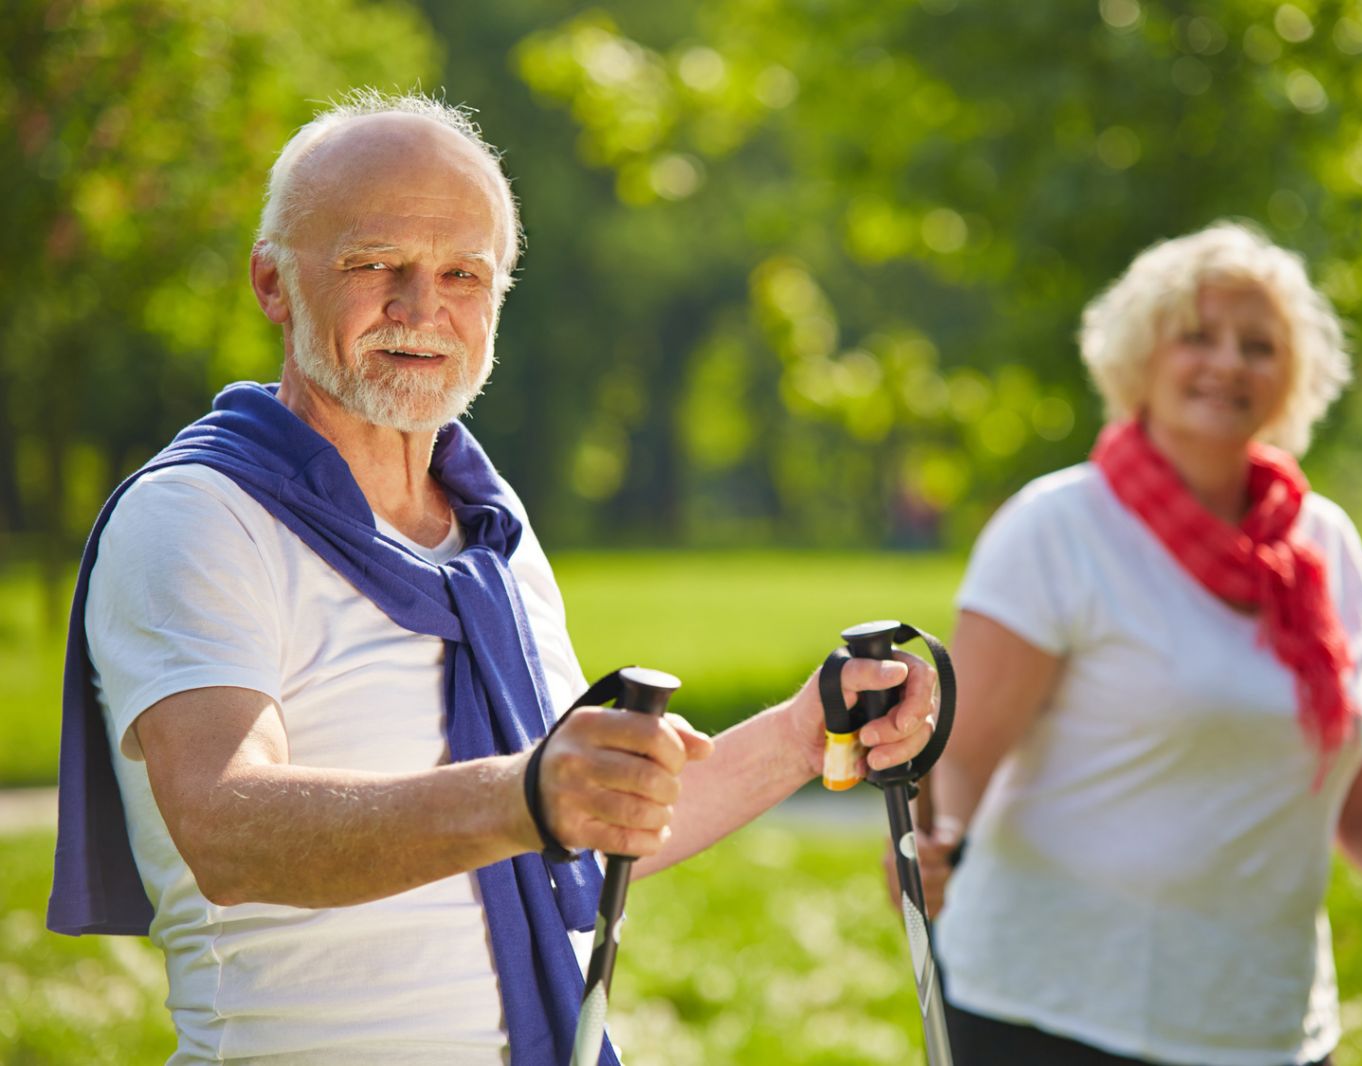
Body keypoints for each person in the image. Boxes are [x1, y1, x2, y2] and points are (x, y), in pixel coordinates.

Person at [48, 90, 938, 1066]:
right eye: (372, 263)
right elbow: (225, 826)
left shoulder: (489, 531)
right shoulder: (199, 513)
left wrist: (814, 729)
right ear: (273, 283)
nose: (420, 308)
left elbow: (584, 825)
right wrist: (526, 795)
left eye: (462, 274)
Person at [911, 223, 1362, 1065]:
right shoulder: (1058, 528)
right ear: (1141, 358)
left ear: (1292, 378)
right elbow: (961, 759)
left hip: (1265, 1021)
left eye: (1259, 346)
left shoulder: (1325, 545)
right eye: (1197, 336)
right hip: (1051, 1008)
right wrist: (933, 844)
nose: (1228, 363)